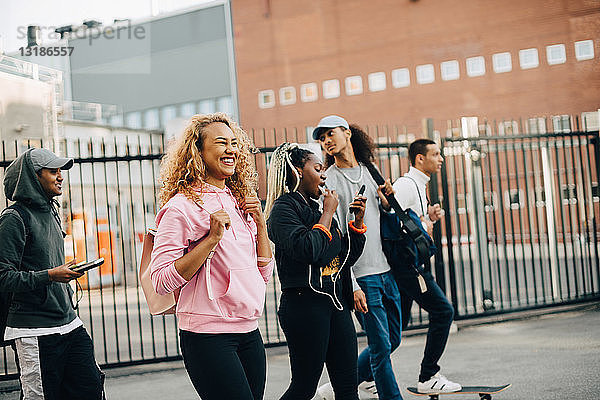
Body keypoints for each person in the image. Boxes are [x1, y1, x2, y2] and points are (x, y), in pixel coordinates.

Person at [149, 113, 274, 400]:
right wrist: (211, 239)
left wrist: (260, 222)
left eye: (234, 143)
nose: (231, 149)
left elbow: (263, 274)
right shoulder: (181, 207)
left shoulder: (238, 200)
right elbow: (161, 281)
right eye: (221, 143)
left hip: (249, 330)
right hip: (207, 336)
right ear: (198, 151)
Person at [265, 143, 367, 400]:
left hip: (336, 306)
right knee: (304, 387)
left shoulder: (318, 210)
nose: (324, 176)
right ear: (297, 170)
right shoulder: (283, 210)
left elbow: (344, 258)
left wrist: (357, 222)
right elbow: (308, 249)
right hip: (304, 307)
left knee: (347, 386)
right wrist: (329, 211)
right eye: (318, 168)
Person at [0, 148, 103, 400]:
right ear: (33, 177)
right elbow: (3, 277)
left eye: (61, 171)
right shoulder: (14, 218)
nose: (60, 177)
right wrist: (49, 275)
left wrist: (62, 272)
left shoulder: (52, 211)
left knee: (90, 388)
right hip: (34, 330)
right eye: (53, 171)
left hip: (69, 322)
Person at [314, 115, 404, 400]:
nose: (327, 141)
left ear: (347, 133)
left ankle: (344, 381)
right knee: (380, 349)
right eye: (322, 138)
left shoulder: (371, 170)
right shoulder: (331, 182)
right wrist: (351, 283)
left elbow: (384, 219)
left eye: (331, 134)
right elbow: (337, 239)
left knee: (393, 339)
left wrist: (387, 202)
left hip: (386, 270)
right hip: (362, 276)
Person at [391, 138, 461, 394]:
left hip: (411, 265)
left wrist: (426, 219)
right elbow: (389, 219)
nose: (441, 158)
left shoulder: (419, 185)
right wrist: (422, 225)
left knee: (395, 329)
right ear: (420, 158)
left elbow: (407, 221)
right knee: (443, 312)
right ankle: (428, 376)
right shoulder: (406, 185)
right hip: (409, 267)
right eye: (435, 154)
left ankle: (353, 378)